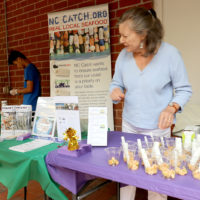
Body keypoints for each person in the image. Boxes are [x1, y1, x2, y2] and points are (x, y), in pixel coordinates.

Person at [109, 7, 192, 200]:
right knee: (127, 176)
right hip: (129, 126)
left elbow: (184, 89)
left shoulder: (171, 55)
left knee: (156, 178)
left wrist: (172, 107)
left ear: (143, 34)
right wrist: (114, 91)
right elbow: (116, 83)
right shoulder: (123, 56)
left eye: (125, 36)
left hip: (156, 129)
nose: (121, 40)